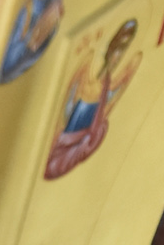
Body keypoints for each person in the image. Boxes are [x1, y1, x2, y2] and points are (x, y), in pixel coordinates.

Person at [44, 19, 140, 180]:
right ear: (110, 48)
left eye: (124, 50)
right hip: (61, 146)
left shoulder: (108, 91)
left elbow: (133, 65)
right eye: (118, 49)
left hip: (74, 151)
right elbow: (64, 112)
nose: (119, 56)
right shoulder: (84, 77)